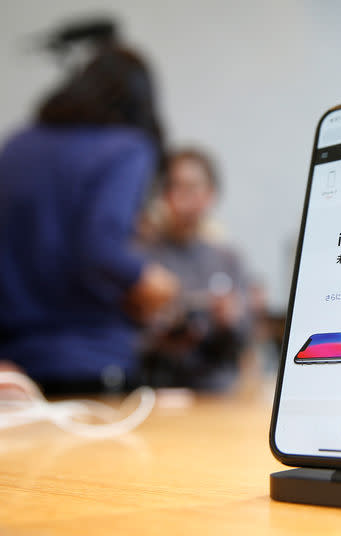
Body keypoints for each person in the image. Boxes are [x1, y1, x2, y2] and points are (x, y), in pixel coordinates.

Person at [0, 27, 178, 393]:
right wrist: (151, 280)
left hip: (15, 362)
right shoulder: (127, 147)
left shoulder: (17, 144)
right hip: (91, 358)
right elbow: (99, 247)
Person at [139, 149, 250, 390]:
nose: (180, 196)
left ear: (210, 194)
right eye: (172, 186)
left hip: (215, 389)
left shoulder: (228, 259)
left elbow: (245, 338)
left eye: (190, 187)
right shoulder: (144, 254)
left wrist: (229, 321)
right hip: (157, 388)